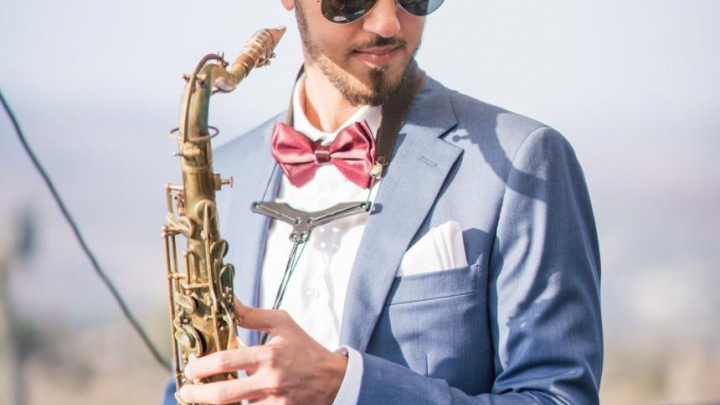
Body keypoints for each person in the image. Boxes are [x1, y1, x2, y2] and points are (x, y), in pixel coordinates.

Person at [162, 0, 603, 404]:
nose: (388, 23)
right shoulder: (227, 171)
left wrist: (347, 386)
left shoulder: (526, 160)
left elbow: (559, 398)